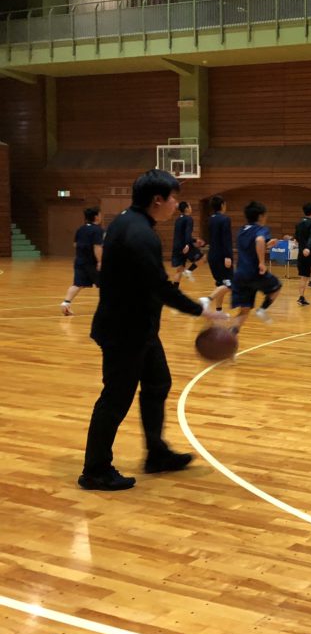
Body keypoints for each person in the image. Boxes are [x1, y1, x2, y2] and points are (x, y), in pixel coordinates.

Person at [80, 169, 226, 491]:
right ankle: (95, 470)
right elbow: (159, 286)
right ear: (158, 200)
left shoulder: (128, 221)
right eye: (173, 198)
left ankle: (156, 454)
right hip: (124, 330)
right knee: (116, 397)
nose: (176, 205)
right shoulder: (139, 234)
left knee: (158, 382)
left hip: (139, 327)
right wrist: (201, 310)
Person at [231, 201, 282, 331]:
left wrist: (267, 245)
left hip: (240, 274)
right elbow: (259, 240)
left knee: (244, 310)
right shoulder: (260, 229)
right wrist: (261, 262)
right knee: (276, 287)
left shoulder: (242, 230)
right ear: (260, 216)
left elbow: (252, 246)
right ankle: (262, 309)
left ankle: (230, 335)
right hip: (254, 272)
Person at [61, 206, 103, 316]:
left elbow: (75, 244)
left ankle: (66, 303)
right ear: (96, 217)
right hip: (92, 263)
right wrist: (100, 261)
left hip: (79, 261)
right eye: (100, 214)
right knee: (106, 284)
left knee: (77, 284)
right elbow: (97, 247)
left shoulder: (81, 229)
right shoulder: (97, 230)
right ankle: (108, 307)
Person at [205, 195, 233, 312]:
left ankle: (218, 311)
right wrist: (228, 256)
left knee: (220, 284)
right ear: (222, 205)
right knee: (231, 284)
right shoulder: (225, 219)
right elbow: (226, 239)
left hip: (212, 255)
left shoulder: (210, 219)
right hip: (222, 256)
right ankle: (207, 299)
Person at [171, 201, 205, 285]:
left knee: (179, 270)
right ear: (186, 208)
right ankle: (189, 271)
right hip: (185, 246)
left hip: (177, 246)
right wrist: (187, 244)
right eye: (190, 206)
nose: (191, 208)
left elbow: (180, 235)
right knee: (203, 259)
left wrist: (195, 240)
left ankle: (174, 289)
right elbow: (187, 233)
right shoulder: (188, 218)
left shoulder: (178, 219)